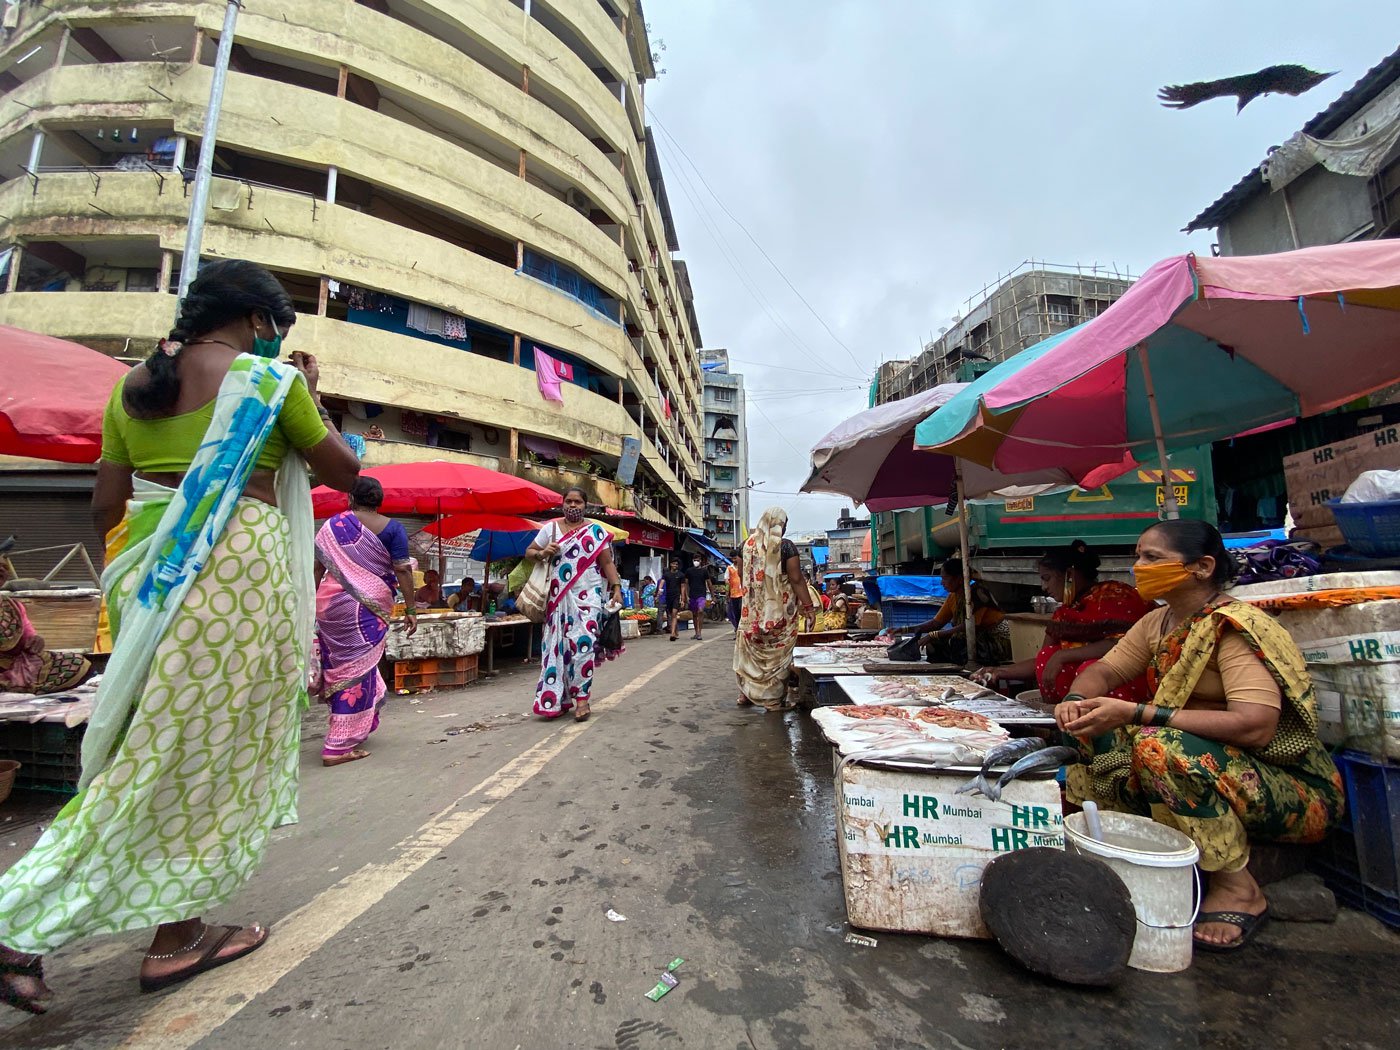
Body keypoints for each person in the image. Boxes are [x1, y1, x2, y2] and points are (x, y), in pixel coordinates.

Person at [0, 259, 360, 1014]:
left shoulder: (129, 389)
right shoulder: (271, 385)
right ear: (260, 321)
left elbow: (106, 506)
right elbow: (344, 471)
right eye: (277, 325)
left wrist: (149, 576)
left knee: (179, 750)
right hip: (231, 585)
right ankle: (12, 923)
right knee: (175, 755)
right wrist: (311, 396)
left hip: (148, 578)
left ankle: (179, 933)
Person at [1056, 519, 1343, 953]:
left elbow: (1256, 724)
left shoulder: (1235, 627)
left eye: (1152, 558)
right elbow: (1107, 669)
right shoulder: (1159, 622)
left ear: (1202, 567)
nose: (1138, 567)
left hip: (1290, 788)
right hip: (1210, 763)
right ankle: (1110, 850)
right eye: (1138, 556)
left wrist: (1138, 712)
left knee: (1158, 746)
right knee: (1086, 731)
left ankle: (1239, 888)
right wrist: (1077, 698)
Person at [313, 477, 417, 767]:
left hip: (329, 605)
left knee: (344, 668)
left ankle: (354, 726)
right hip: (363, 608)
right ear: (380, 501)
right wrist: (411, 608)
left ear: (350, 499)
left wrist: (312, 605)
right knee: (357, 671)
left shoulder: (332, 526)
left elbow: (318, 567)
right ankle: (338, 745)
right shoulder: (394, 529)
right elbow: (403, 570)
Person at [978, 540, 1156, 703]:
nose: (1044, 587)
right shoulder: (1064, 613)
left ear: (1069, 574)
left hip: (1121, 698)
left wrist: (1064, 655)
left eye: (1047, 578)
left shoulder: (1115, 595)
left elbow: (1123, 644)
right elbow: (1042, 660)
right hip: (1072, 704)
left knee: (1087, 667)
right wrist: (998, 671)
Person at [524, 486, 624, 722]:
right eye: (568, 501)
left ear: (585, 506)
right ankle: (556, 698)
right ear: (562, 504)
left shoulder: (595, 531)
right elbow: (529, 551)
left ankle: (582, 700)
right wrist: (542, 553)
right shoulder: (550, 529)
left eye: (577, 502)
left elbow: (607, 562)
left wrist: (617, 588)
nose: (572, 506)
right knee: (556, 650)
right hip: (557, 601)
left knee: (583, 647)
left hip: (588, 599)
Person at [734, 508, 816, 711]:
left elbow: (743, 575)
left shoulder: (746, 545)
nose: (785, 527)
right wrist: (808, 607)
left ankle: (746, 694)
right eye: (784, 523)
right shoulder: (786, 546)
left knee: (752, 655)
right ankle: (772, 701)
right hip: (780, 614)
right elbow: (796, 579)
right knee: (778, 657)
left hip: (751, 613)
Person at [0, 553, 92, 695]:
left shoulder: (13, 606)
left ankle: (15, 686)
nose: (1, 570)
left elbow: (29, 638)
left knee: (75, 663)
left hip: (14, 666)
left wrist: (36, 642)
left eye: (4, 567)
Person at [906, 558, 1010, 665]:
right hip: (972, 636)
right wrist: (905, 629)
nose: (942, 583)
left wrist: (935, 634)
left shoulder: (976, 593)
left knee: (957, 642)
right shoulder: (953, 596)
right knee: (936, 643)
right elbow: (936, 623)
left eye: (945, 578)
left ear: (959, 579)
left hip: (993, 639)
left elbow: (970, 626)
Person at [682, 555, 713, 640]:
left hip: (701, 595)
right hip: (692, 595)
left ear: (700, 561)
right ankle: (696, 632)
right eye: (695, 560)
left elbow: (709, 583)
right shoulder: (689, 571)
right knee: (694, 614)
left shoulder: (704, 571)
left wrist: (713, 596)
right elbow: (686, 584)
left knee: (700, 611)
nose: (696, 561)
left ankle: (699, 632)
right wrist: (686, 596)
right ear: (692, 560)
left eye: (698, 560)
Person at [661, 556, 686, 642]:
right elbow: (662, 583)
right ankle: (675, 631)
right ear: (671, 564)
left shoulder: (681, 575)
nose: (675, 565)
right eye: (674, 564)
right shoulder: (666, 575)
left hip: (676, 596)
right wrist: (659, 592)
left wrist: (683, 599)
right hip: (669, 597)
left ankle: (672, 634)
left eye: (677, 564)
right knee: (671, 615)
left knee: (674, 613)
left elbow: (683, 587)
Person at [724, 555, 745, 638]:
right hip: (734, 594)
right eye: (732, 558)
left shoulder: (743, 567)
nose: (734, 560)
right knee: (736, 613)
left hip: (743, 593)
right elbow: (727, 582)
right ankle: (737, 630)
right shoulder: (729, 568)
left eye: (735, 558)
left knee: (742, 611)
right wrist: (727, 594)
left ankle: (741, 631)